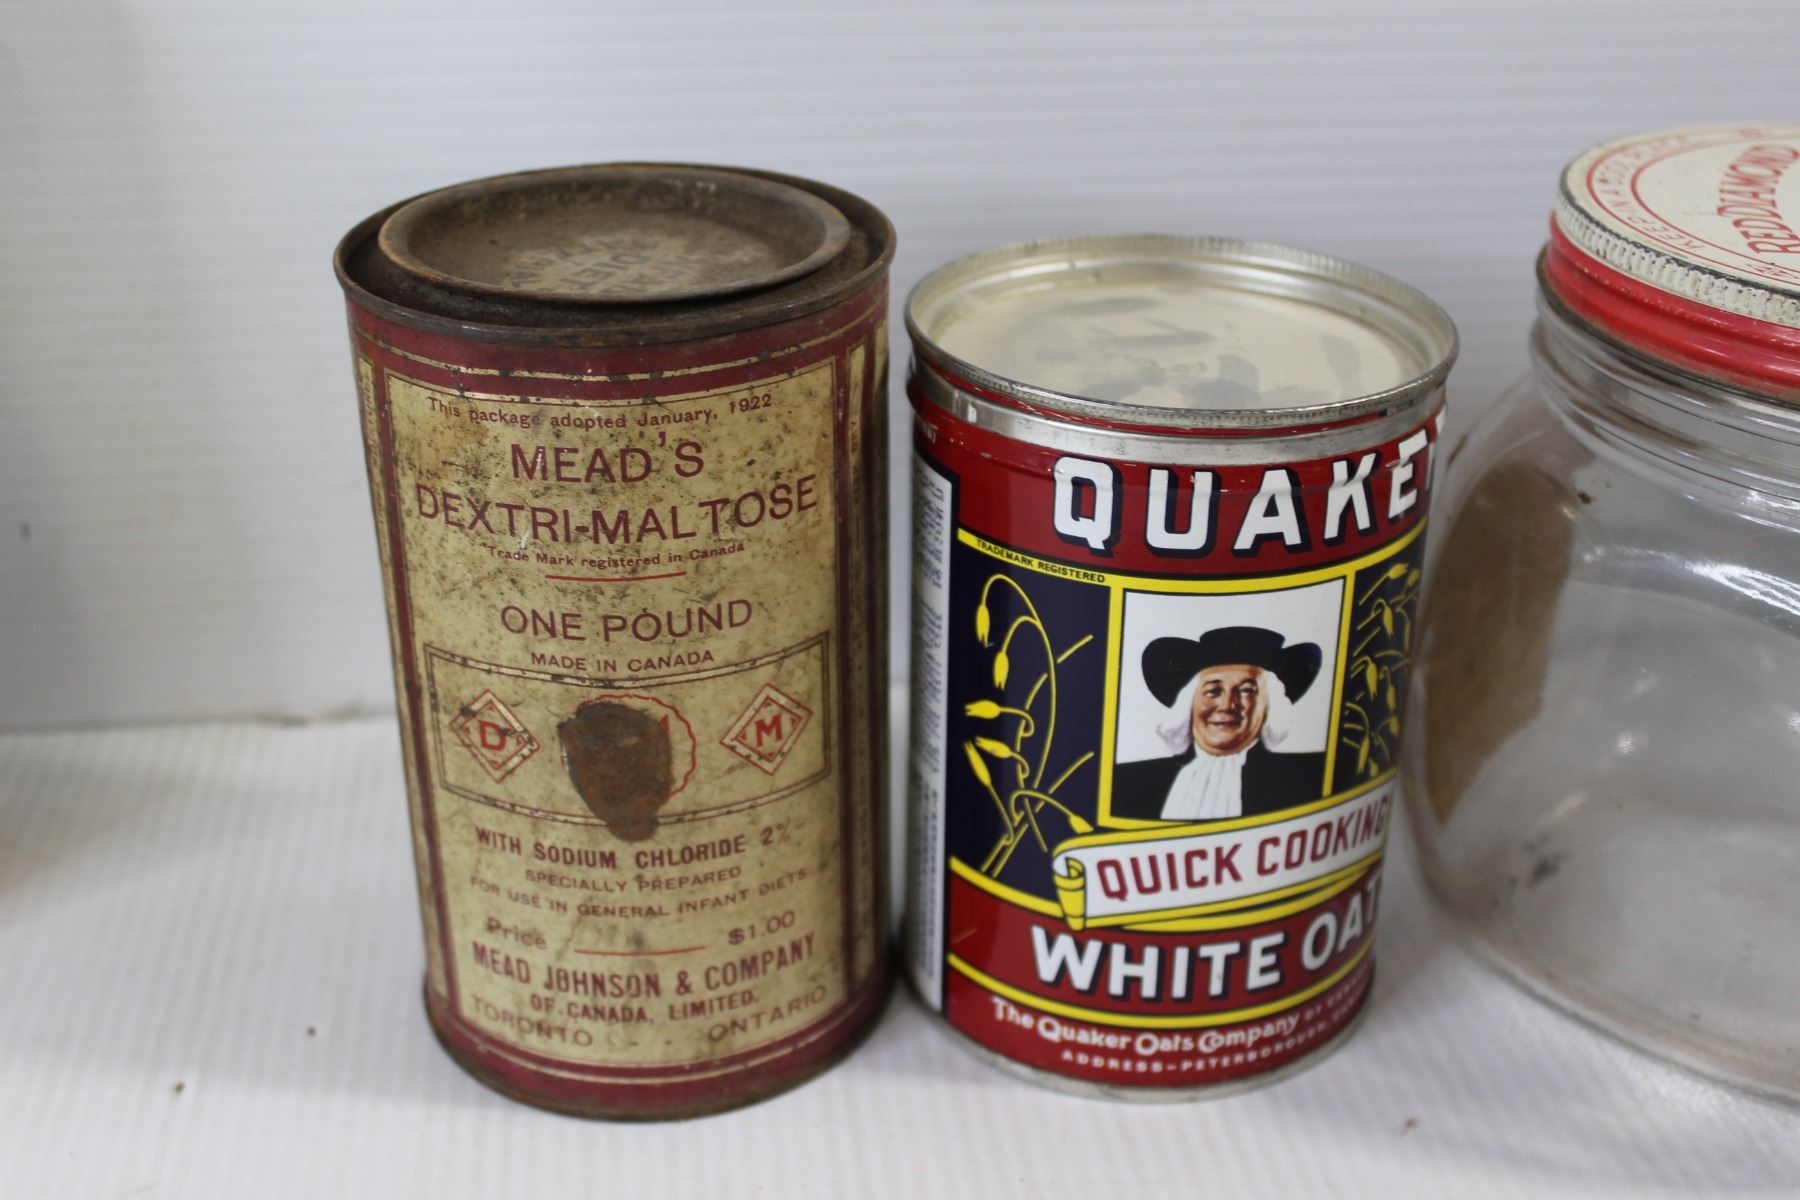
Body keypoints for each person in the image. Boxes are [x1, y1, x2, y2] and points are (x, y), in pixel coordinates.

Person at [1110, 626, 1326, 822]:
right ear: (1189, 703)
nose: (1227, 705)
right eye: (1213, 691)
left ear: (1269, 704)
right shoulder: (1127, 781)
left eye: (1246, 691)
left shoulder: (1306, 778)